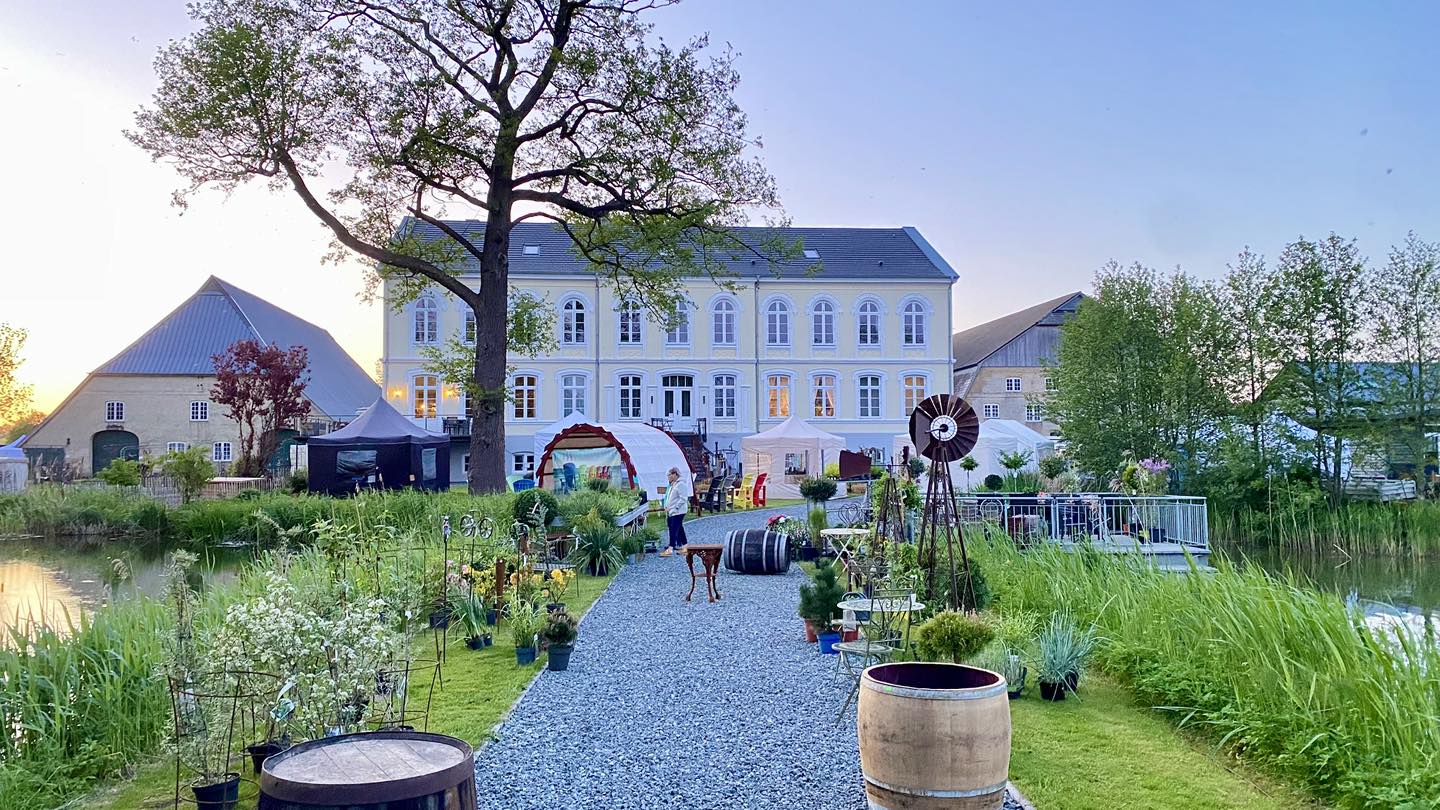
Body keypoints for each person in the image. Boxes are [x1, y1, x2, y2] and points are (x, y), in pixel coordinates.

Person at [660, 466, 690, 557]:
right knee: (679, 529)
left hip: (678, 511)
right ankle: (685, 548)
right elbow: (670, 497)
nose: (668, 477)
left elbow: (683, 498)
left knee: (673, 529)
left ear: (675, 474)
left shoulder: (681, 484)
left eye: (669, 475)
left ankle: (670, 549)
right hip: (673, 511)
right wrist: (667, 507)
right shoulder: (673, 485)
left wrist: (675, 508)